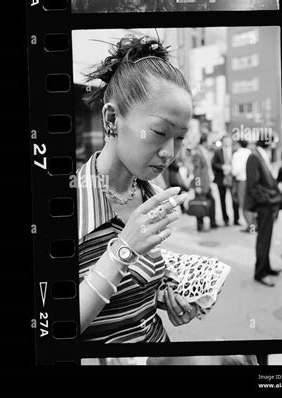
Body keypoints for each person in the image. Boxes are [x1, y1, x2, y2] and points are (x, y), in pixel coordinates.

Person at [78, 35, 197, 343]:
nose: (169, 152)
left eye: (180, 137)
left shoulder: (155, 198)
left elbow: (135, 292)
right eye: (159, 132)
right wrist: (122, 251)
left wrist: (164, 297)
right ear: (112, 118)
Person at [245, 135, 282, 287]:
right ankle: (260, 272)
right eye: (273, 141)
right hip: (264, 205)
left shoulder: (261, 154)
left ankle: (266, 267)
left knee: (266, 238)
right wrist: (267, 200)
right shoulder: (254, 156)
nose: (274, 144)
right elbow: (253, 185)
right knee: (263, 239)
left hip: (269, 204)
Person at [190, 134, 218, 232]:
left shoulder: (204, 152)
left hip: (206, 182)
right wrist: (198, 185)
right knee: (200, 202)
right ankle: (201, 224)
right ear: (204, 142)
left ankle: (212, 222)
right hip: (201, 183)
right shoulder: (198, 153)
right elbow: (196, 171)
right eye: (208, 142)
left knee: (209, 201)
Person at [212, 135, 240, 226]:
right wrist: (222, 167)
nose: (227, 142)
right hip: (221, 179)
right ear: (222, 142)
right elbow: (214, 164)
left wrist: (232, 168)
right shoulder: (217, 152)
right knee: (222, 200)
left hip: (232, 179)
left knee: (235, 199)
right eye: (225, 141)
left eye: (229, 140)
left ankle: (236, 219)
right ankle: (225, 219)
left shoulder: (235, 151)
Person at [231, 139, 254, 232]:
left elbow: (235, 170)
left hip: (241, 181)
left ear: (238, 144)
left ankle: (250, 226)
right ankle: (253, 225)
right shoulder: (250, 153)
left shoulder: (237, 154)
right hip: (250, 181)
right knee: (250, 203)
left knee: (243, 204)